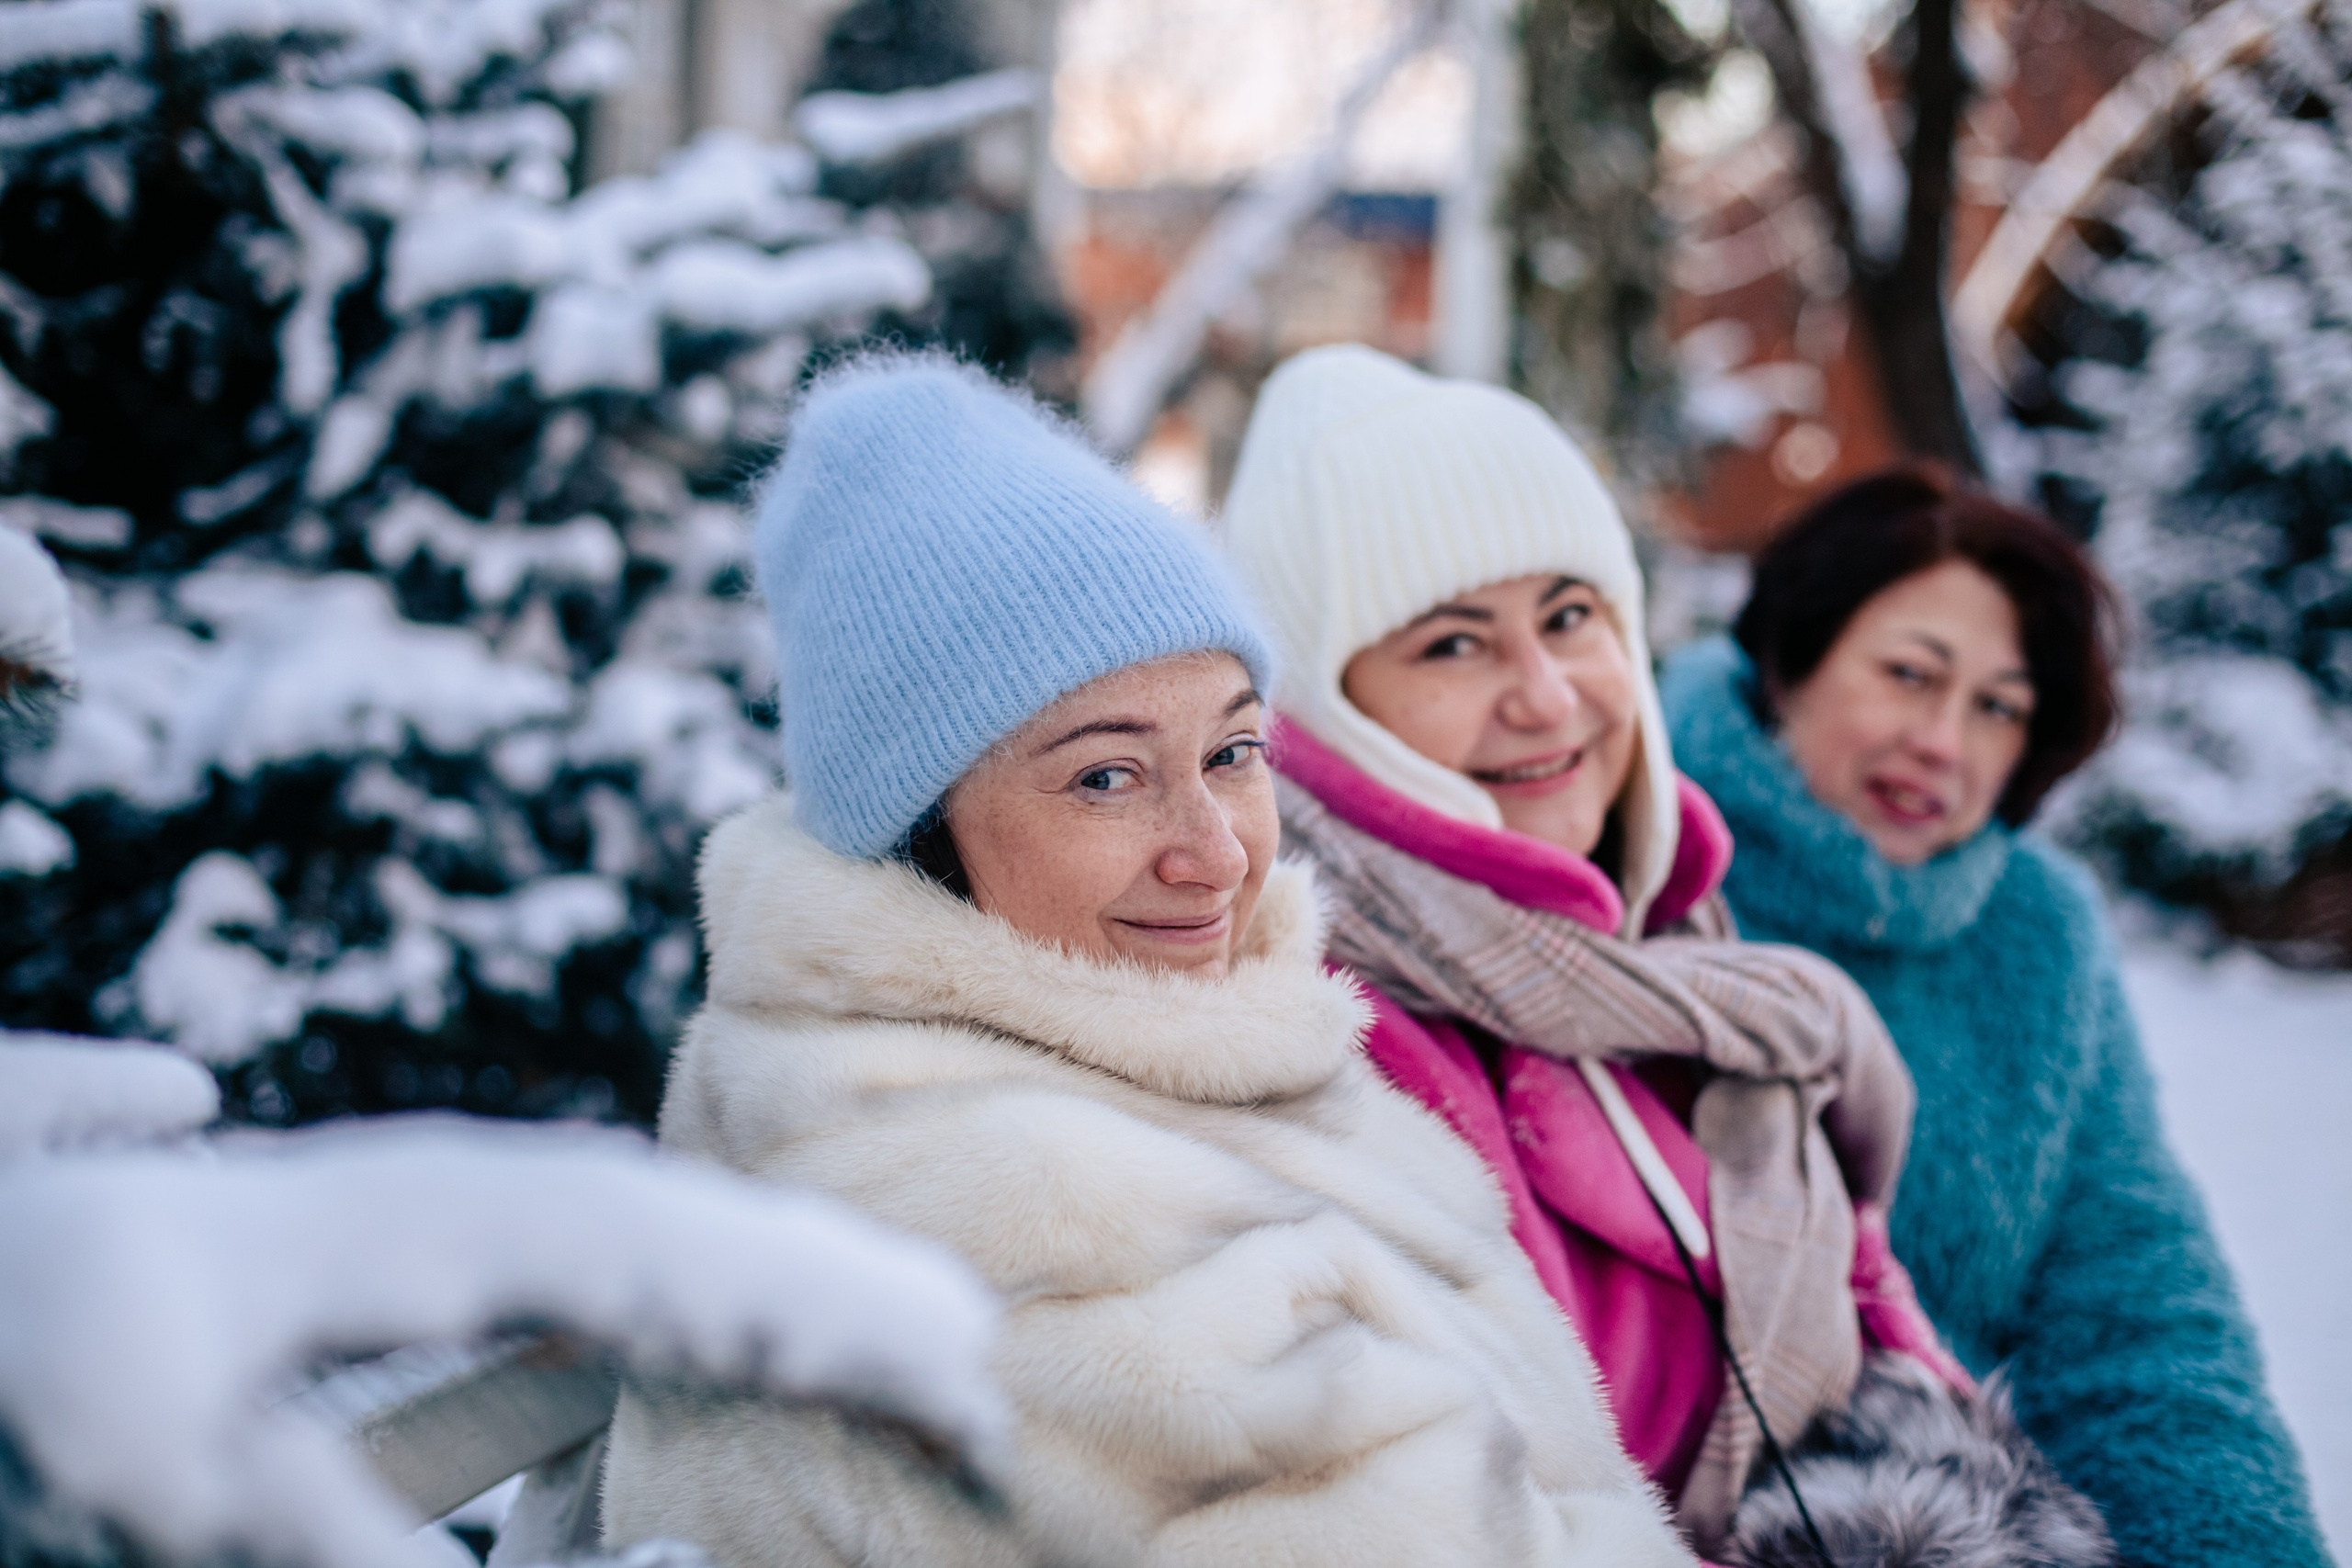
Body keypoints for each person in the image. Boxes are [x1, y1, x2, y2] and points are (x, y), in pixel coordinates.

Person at [597, 355, 1696, 1568]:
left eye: (1232, 750)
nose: (1217, 853)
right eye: (1107, 776)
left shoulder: (1145, 1070)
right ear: (919, 831)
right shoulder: (1027, 1207)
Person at [1217, 345, 2068, 1563]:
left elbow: (1878, 1307)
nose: (1550, 697)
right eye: (1454, 644)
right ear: (1328, 710)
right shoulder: (1341, 1033)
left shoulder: (1685, 950)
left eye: (1571, 616)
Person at [1658, 466, 2330, 1568]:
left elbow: (2136, 1310)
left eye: (1997, 707)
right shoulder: (1628, 861)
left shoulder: (2037, 932)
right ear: (1786, 663)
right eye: (1909, 675)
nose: (1944, 742)